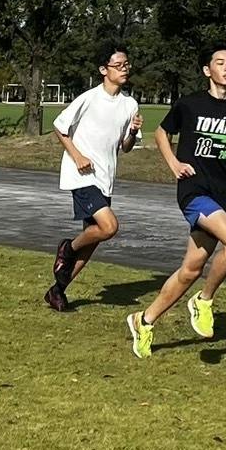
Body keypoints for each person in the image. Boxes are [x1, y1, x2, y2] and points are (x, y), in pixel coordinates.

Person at [125, 44, 226, 358]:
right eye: (220, 63)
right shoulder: (190, 104)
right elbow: (161, 133)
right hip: (193, 191)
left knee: (191, 269)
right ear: (207, 70)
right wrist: (174, 164)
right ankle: (204, 300)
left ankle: (143, 321)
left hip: (221, 195)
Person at [44, 42, 142, 311]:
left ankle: (57, 291)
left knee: (93, 240)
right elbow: (60, 126)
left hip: (105, 178)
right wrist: (77, 156)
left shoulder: (130, 104)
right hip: (82, 175)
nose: (124, 69)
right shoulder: (89, 98)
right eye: (118, 65)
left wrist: (133, 132)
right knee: (109, 227)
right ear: (103, 70)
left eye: (126, 65)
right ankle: (67, 248)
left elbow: (126, 147)